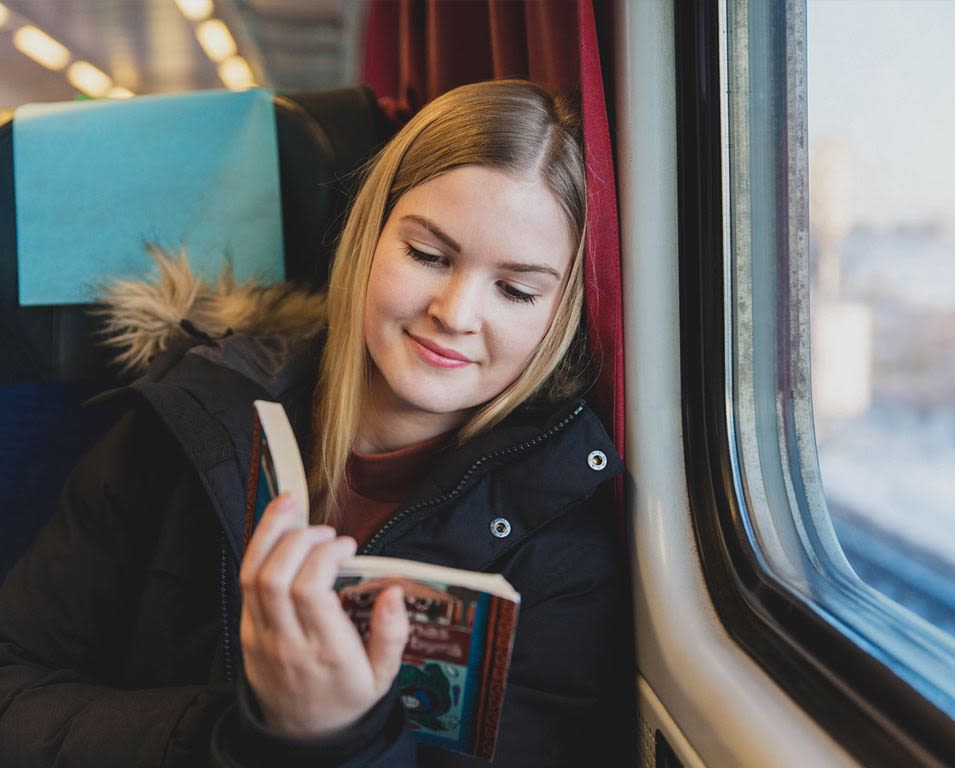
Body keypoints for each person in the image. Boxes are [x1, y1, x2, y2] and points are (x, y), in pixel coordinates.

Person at [0, 79, 631, 766]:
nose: (455, 312)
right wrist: (237, 730)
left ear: (559, 313)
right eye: (427, 255)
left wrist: (339, 742)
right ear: (370, 234)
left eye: (515, 290)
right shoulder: (192, 416)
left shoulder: (561, 552)